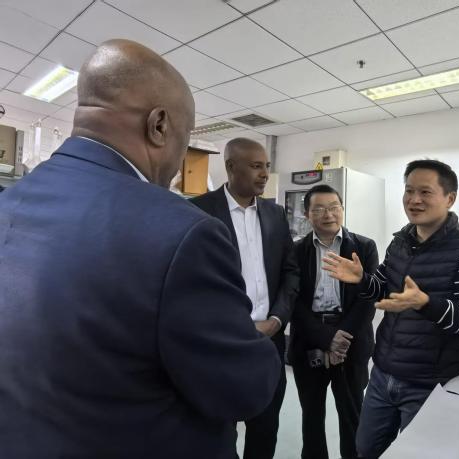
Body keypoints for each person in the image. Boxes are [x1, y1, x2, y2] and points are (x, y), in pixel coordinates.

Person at [0, 39, 281, 459]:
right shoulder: (182, 232)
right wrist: (253, 342)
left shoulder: (10, 203)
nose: (179, 160)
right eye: (185, 139)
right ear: (159, 125)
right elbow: (245, 389)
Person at [324, 159, 459, 458]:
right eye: (409, 191)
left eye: (425, 192)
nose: (414, 200)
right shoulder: (400, 242)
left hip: (430, 384)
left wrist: (426, 304)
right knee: (365, 449)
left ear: (450, 198)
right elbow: (383, 288)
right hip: (383, 373)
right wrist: (362, 279)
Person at [190, 138, 299, 459]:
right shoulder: (198, 211)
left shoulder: (275, 214)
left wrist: (277, 320)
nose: (264, 174)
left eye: (266, 166)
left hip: (269, 343)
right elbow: (191, 282)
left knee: (265, 429)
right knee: (218, 432)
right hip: (220, 344)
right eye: (255, 166)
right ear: (230, 167)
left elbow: (291, 272)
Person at [288, 184, 379, 459]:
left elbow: (368, 299)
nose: (328, 214)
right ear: (307, 214)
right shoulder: (295, 250)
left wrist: (340, 339)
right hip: (309, 340)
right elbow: (293, 300)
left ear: (342, 209)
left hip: (351, 342)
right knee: (311, 416)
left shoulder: (364, 247)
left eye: (334, 207)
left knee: (352, 415)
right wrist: (327, 339)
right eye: (319, 209)